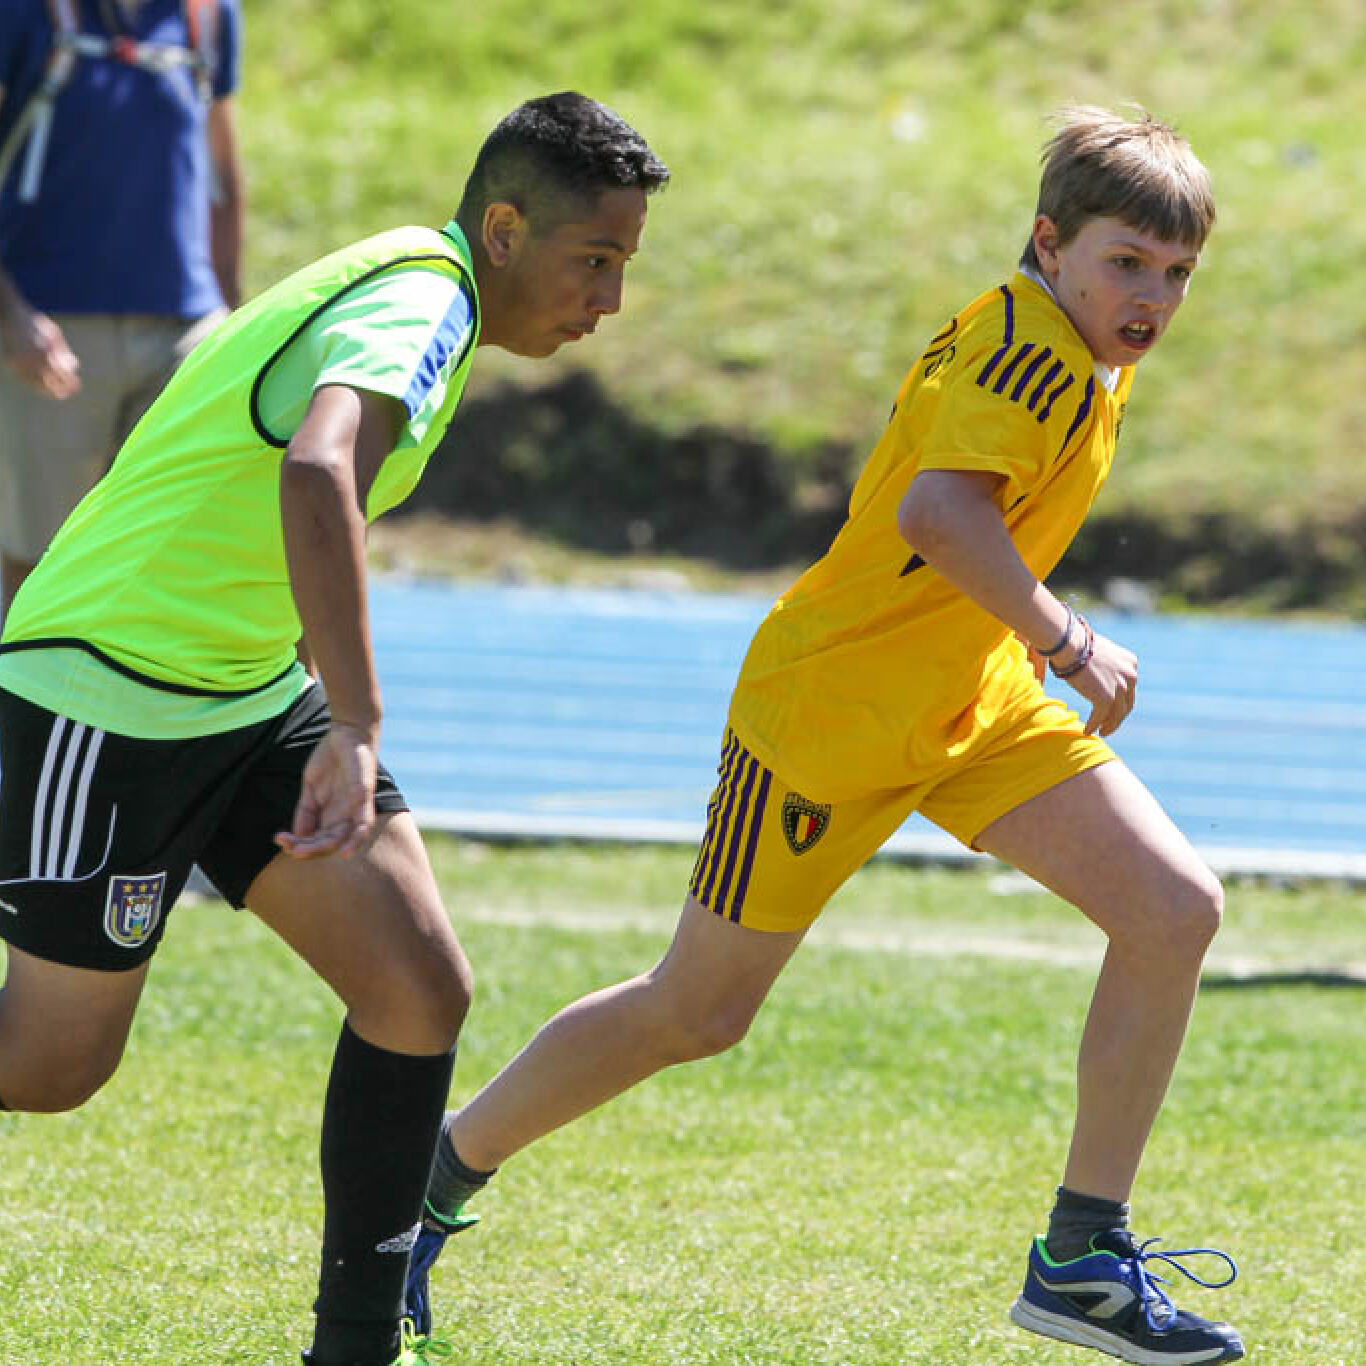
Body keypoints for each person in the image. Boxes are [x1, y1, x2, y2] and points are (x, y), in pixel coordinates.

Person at [405, 107, 1246, 1365]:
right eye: (1127, 262)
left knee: (1174, 909)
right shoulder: (1031, 358)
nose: (1152, 297)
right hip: (829, 719)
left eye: (1176, 273)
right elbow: (939, 514)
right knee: (694, 1011)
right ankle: (426, 1184)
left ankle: (1081, 1256)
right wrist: (1068, 638)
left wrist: (1018, 639)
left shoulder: (1068, 343)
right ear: (1049, 243)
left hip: (969, 702)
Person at [0, 91, 668, 1366]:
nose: (611, 298)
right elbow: (318, 472)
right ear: (505, 230)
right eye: (596, 259)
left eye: (624, 264)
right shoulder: (423, 300)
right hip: (107, 691)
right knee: (47, 1067)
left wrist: (320, 702)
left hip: (243, 690)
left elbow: (291, 499)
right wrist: (355, 722)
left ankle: (355, 1347)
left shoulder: (429, 299)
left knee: (416, 987)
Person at [0, 0, 247, 624]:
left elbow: (223, 178)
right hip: (48, 333)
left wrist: (236, 326)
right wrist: (10, 316)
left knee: (180, 563)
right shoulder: (22, 14)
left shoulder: (209, 15)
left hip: (186, 332)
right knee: (41, 570)